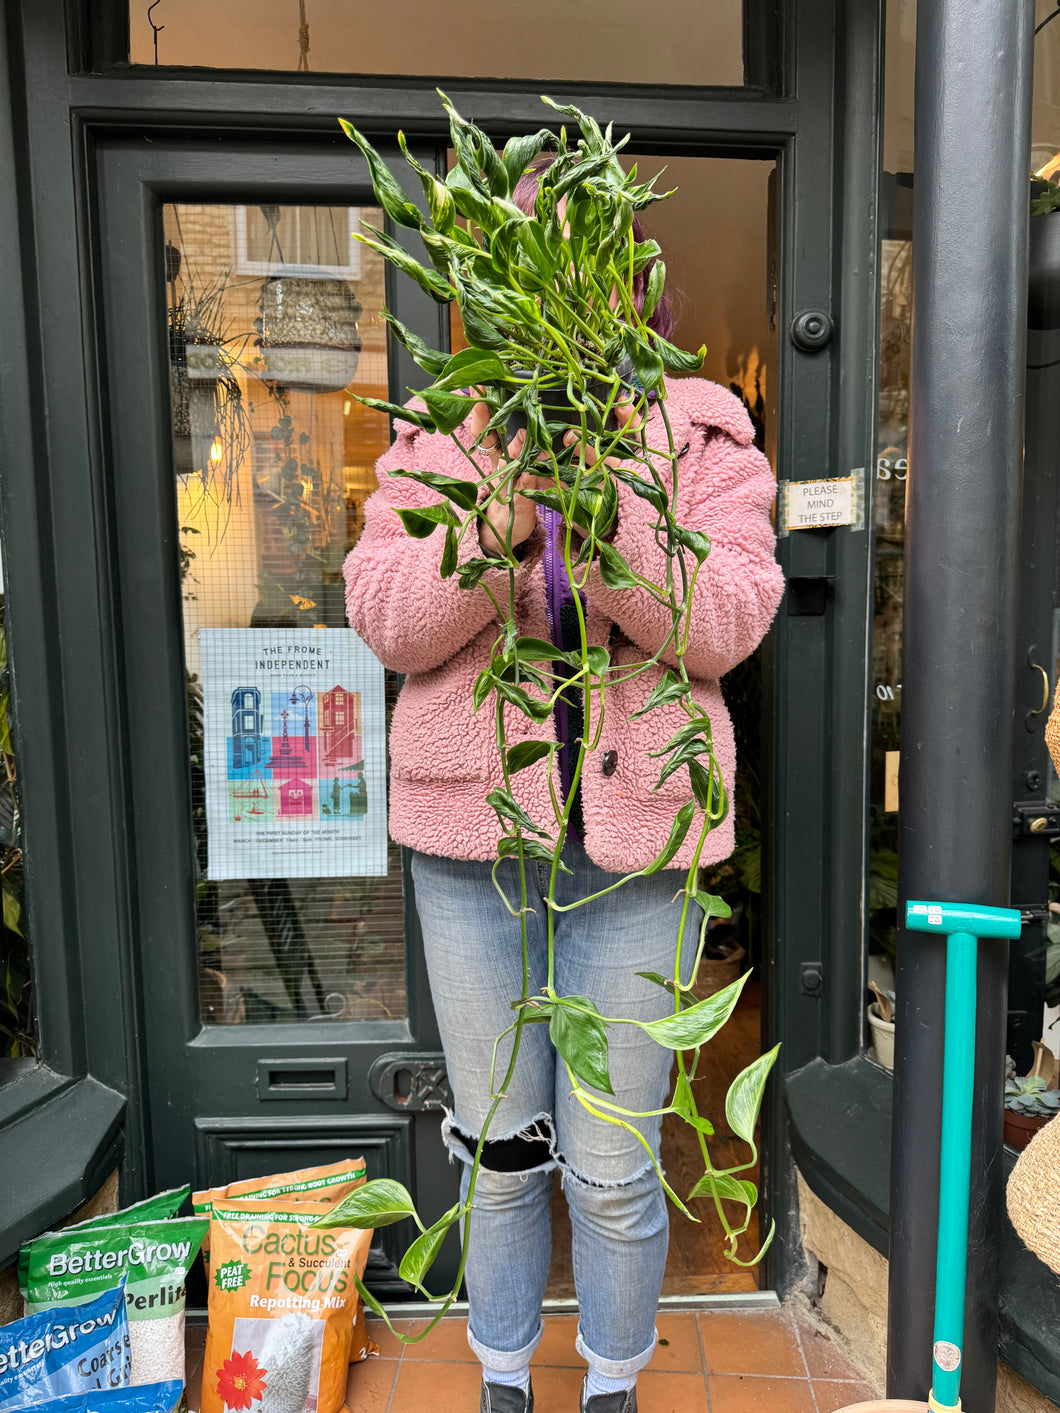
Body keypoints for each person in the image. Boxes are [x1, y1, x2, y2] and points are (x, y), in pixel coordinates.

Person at [343, 157, 785, 1413]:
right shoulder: (440, 436)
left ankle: (608, 1387)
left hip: (640, 854)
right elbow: (392, 617)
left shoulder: (702, 432)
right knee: (497, 1152)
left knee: (609, 1163)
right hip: (471, 854)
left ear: (633, 285)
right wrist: (493, 497)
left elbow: (726, 622)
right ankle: (497, 1382)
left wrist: (606, 498)